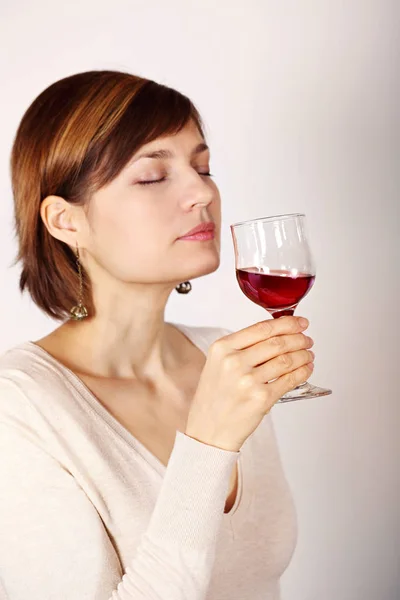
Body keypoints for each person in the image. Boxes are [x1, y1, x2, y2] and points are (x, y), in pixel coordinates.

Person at [0, 70, 315, 600]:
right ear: (65, 221)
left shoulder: (223, 357)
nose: (202, 192)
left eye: (202, 166)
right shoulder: (21, 407)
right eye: (152, 176)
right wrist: (210, 442)